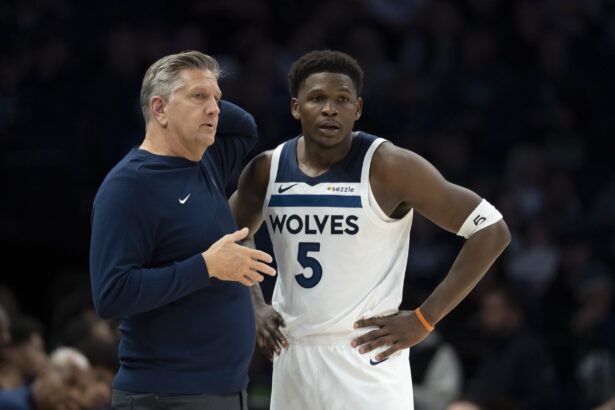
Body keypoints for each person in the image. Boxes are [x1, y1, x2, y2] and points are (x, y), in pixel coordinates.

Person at [230, 50, 511, 409]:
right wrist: (255, 305)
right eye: (317, 98)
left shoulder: (389, 166)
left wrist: (426, 318)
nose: (330, 109)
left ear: (357, 109)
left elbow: (492, 230)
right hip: (292, 353)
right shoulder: (267, 169)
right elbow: (231, 234)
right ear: (296, 107)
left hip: (364, 354)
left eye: (342, 100)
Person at [89, 50, 275, 409]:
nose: (216, 110)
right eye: (199, 98)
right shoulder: (128, 186)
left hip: (226, 392)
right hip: (167, 396)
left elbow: (246, 126)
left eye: (218, 99)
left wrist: (203, 86)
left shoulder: (206, 162)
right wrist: (206, 266)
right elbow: (111, 294)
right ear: (159, 109)